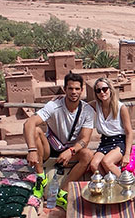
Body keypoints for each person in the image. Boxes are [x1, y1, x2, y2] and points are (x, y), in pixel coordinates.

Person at [24, 71, 95, 208]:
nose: (73, 92)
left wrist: (71, 151)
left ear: (82, 90)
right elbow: (29, 123)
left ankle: (62, 192)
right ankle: (40, 178)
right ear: (64, 89)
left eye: (77, 89)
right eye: (70, 88)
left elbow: (85, 139)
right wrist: (32, 150)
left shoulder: (87, 111)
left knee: (88, 154)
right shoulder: (54, 106)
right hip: (50, 149)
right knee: (36, 131)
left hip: (70, 152)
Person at [88, 77, 133, 176]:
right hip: (105, 142)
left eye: (104, 89)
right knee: (94, 165)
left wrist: (127, 154)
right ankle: (110, 186)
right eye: (98, 90)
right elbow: (78, 105)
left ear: (110, 89)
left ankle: (127, 184)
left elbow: (129, 132)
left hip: (119, 142)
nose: (102, 93)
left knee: (106, 162)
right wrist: (61, 99)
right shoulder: (95, 106)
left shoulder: (121, 108)